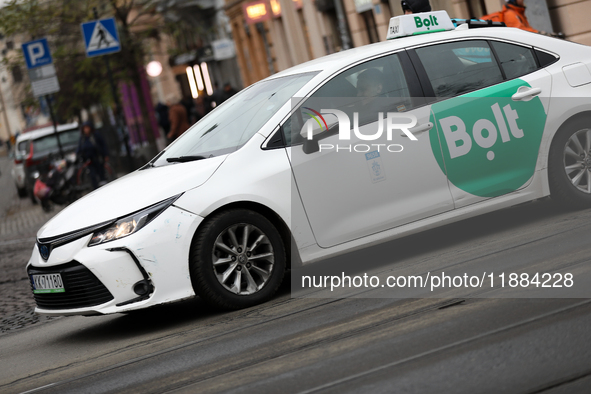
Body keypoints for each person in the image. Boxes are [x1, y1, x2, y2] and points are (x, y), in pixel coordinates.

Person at [76, 122, 109, 190]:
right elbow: (79, 148)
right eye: (85, 128)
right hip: (89, 160)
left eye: (87, 128)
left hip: (97, 158)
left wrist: (105, 154)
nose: (86, 129)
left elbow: (103, 145)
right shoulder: (83, 138)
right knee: (92, 175)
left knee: (101, 173)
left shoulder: (95, 135)